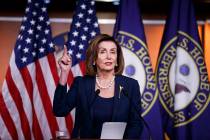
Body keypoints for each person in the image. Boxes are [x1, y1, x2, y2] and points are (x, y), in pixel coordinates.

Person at [53, 34, 143, 139]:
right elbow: (59, 110)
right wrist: (64, 72)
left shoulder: (130, 86)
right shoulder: (81, 84)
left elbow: (136, 124)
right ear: (94, 59)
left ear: (117, 59)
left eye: (113, 52)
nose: (109, 56)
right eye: (103, 52)